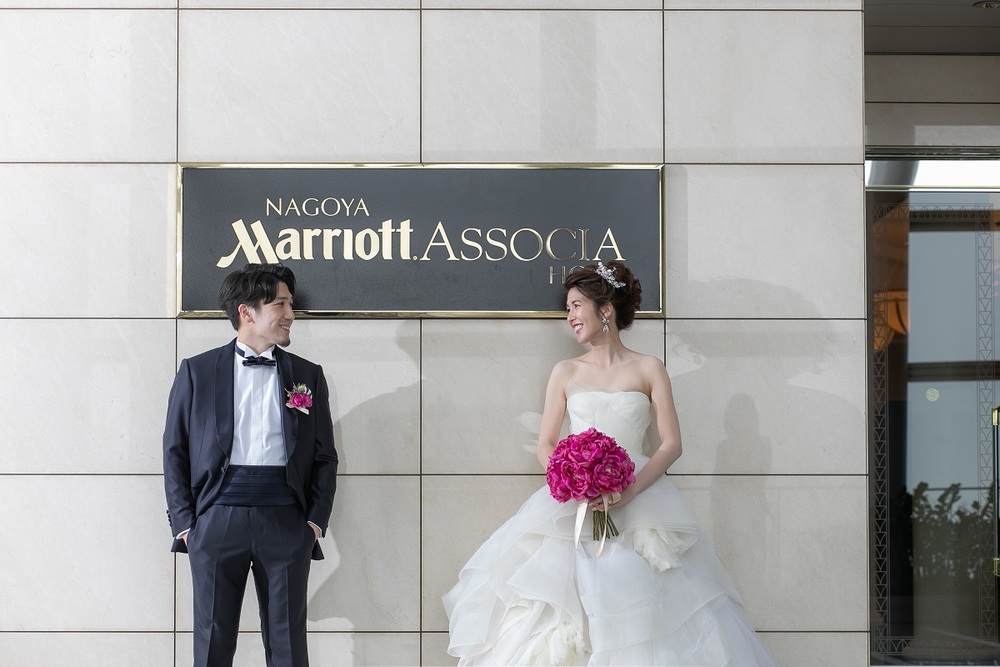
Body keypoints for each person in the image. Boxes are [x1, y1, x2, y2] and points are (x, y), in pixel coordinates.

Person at [443, 260, 777, 666]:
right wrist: (571, 480)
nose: (570, 317)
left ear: (605, 309)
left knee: (659, 603)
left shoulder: (649, 367)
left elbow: (671, 444)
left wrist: (630, 490)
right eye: (568, 308)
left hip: (640, 497)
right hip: (574, 504)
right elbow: (546, 443)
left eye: (576, 306)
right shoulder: (565, 371)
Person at [163, 263, 338, 667]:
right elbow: (175, 450)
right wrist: (186, 526)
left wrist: (313, 523)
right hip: (216, 518)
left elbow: (325, 456)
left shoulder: (307, 375)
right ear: (246, 312)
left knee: (289, 646)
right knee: (212, 644)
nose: (291, 314)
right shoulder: (196, 371)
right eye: (281, 304)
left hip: (287, 521)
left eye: (290, 304)